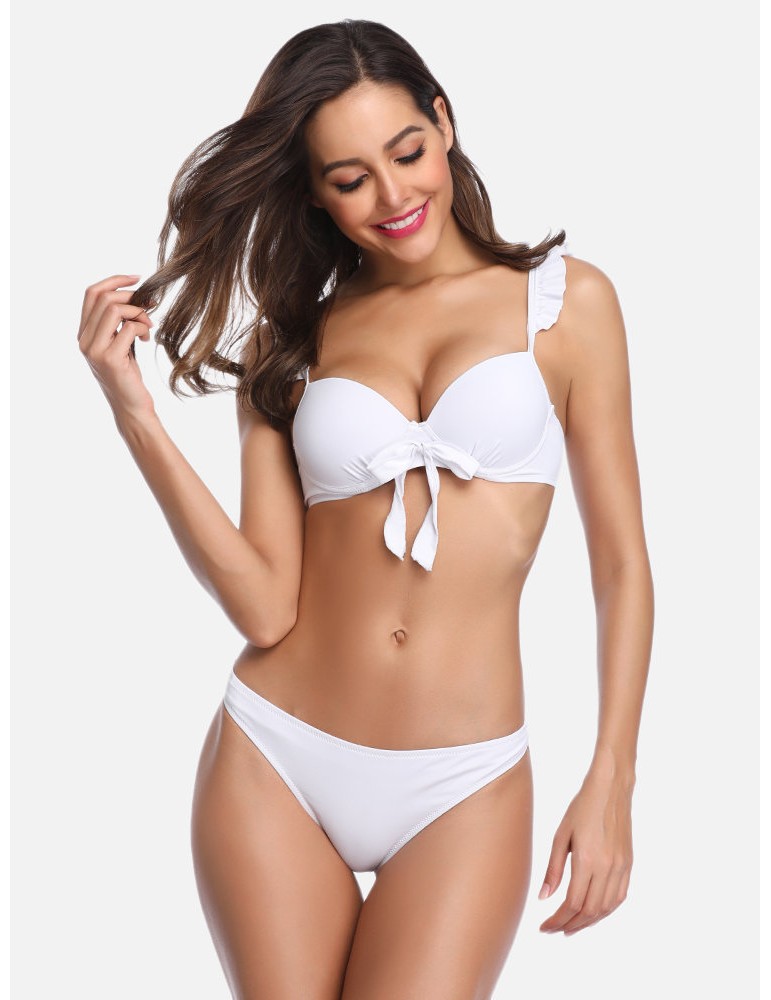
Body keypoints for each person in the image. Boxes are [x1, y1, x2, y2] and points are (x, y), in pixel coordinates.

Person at [77, 18, 654, 1000]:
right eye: (350, 178)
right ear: (313, 190)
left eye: (407, 153)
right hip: (278, 754)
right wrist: (132, 411)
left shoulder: (565, 305)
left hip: (463, 781)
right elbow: (265, 606)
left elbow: (621, 565)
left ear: (444, 122)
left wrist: (613, 778)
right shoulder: (292, 339)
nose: (393, 197)